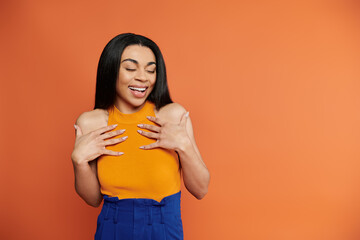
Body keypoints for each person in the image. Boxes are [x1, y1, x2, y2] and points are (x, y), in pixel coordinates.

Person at [71, 33, 210, 240]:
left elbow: (200, 189)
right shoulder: (91, 122)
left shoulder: (172, 116)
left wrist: (184, 145)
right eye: (130, 68)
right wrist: (78, 161)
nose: (143, 77)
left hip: (164, 227)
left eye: (151, 70)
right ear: (111, 71)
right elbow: (93, 199)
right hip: (112, 228)